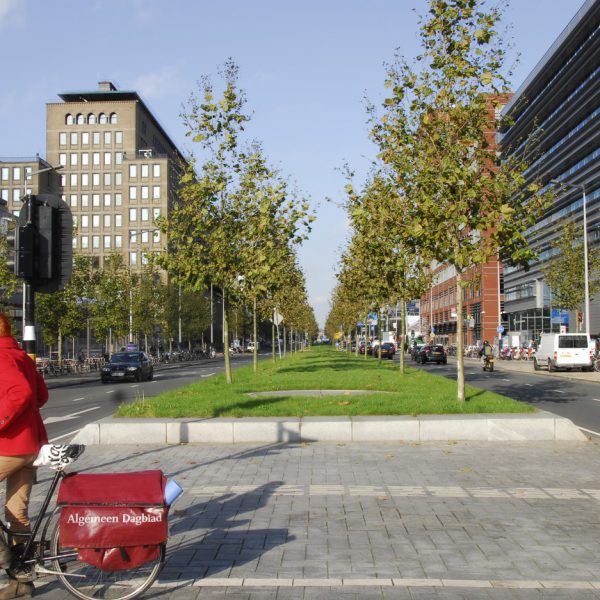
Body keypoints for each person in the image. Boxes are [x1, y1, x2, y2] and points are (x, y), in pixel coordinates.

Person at [0, 313, 49, 599]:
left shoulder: (2, 358)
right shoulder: (19, 356)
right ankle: (22, 583)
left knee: (17, 513)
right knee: (16, 513)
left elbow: (20, 393)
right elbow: (40, 395)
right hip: (30, 444)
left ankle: (8, 560)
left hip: (11, 446)